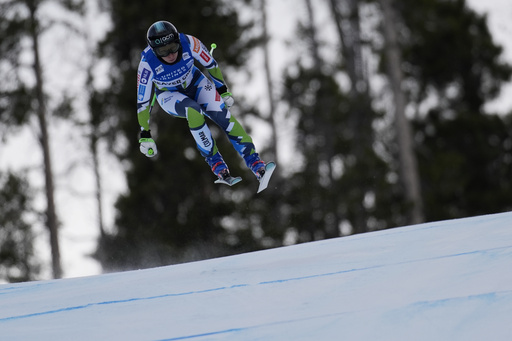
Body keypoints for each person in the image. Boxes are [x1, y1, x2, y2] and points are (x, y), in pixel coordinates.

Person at [137, 20, 267, 182]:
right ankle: (216, 162)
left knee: (223, 116)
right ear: (154, 50)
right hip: (168, 95)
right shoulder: (147, 63)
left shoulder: (190, 42)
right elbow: (142, 102)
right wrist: (145, 134)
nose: (170, 55)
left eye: (173, 48)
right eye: (163, 51)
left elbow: (211, 64)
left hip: (195, 82)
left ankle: (255, 162)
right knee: (193, 111)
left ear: (178, 41)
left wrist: (223, 91)